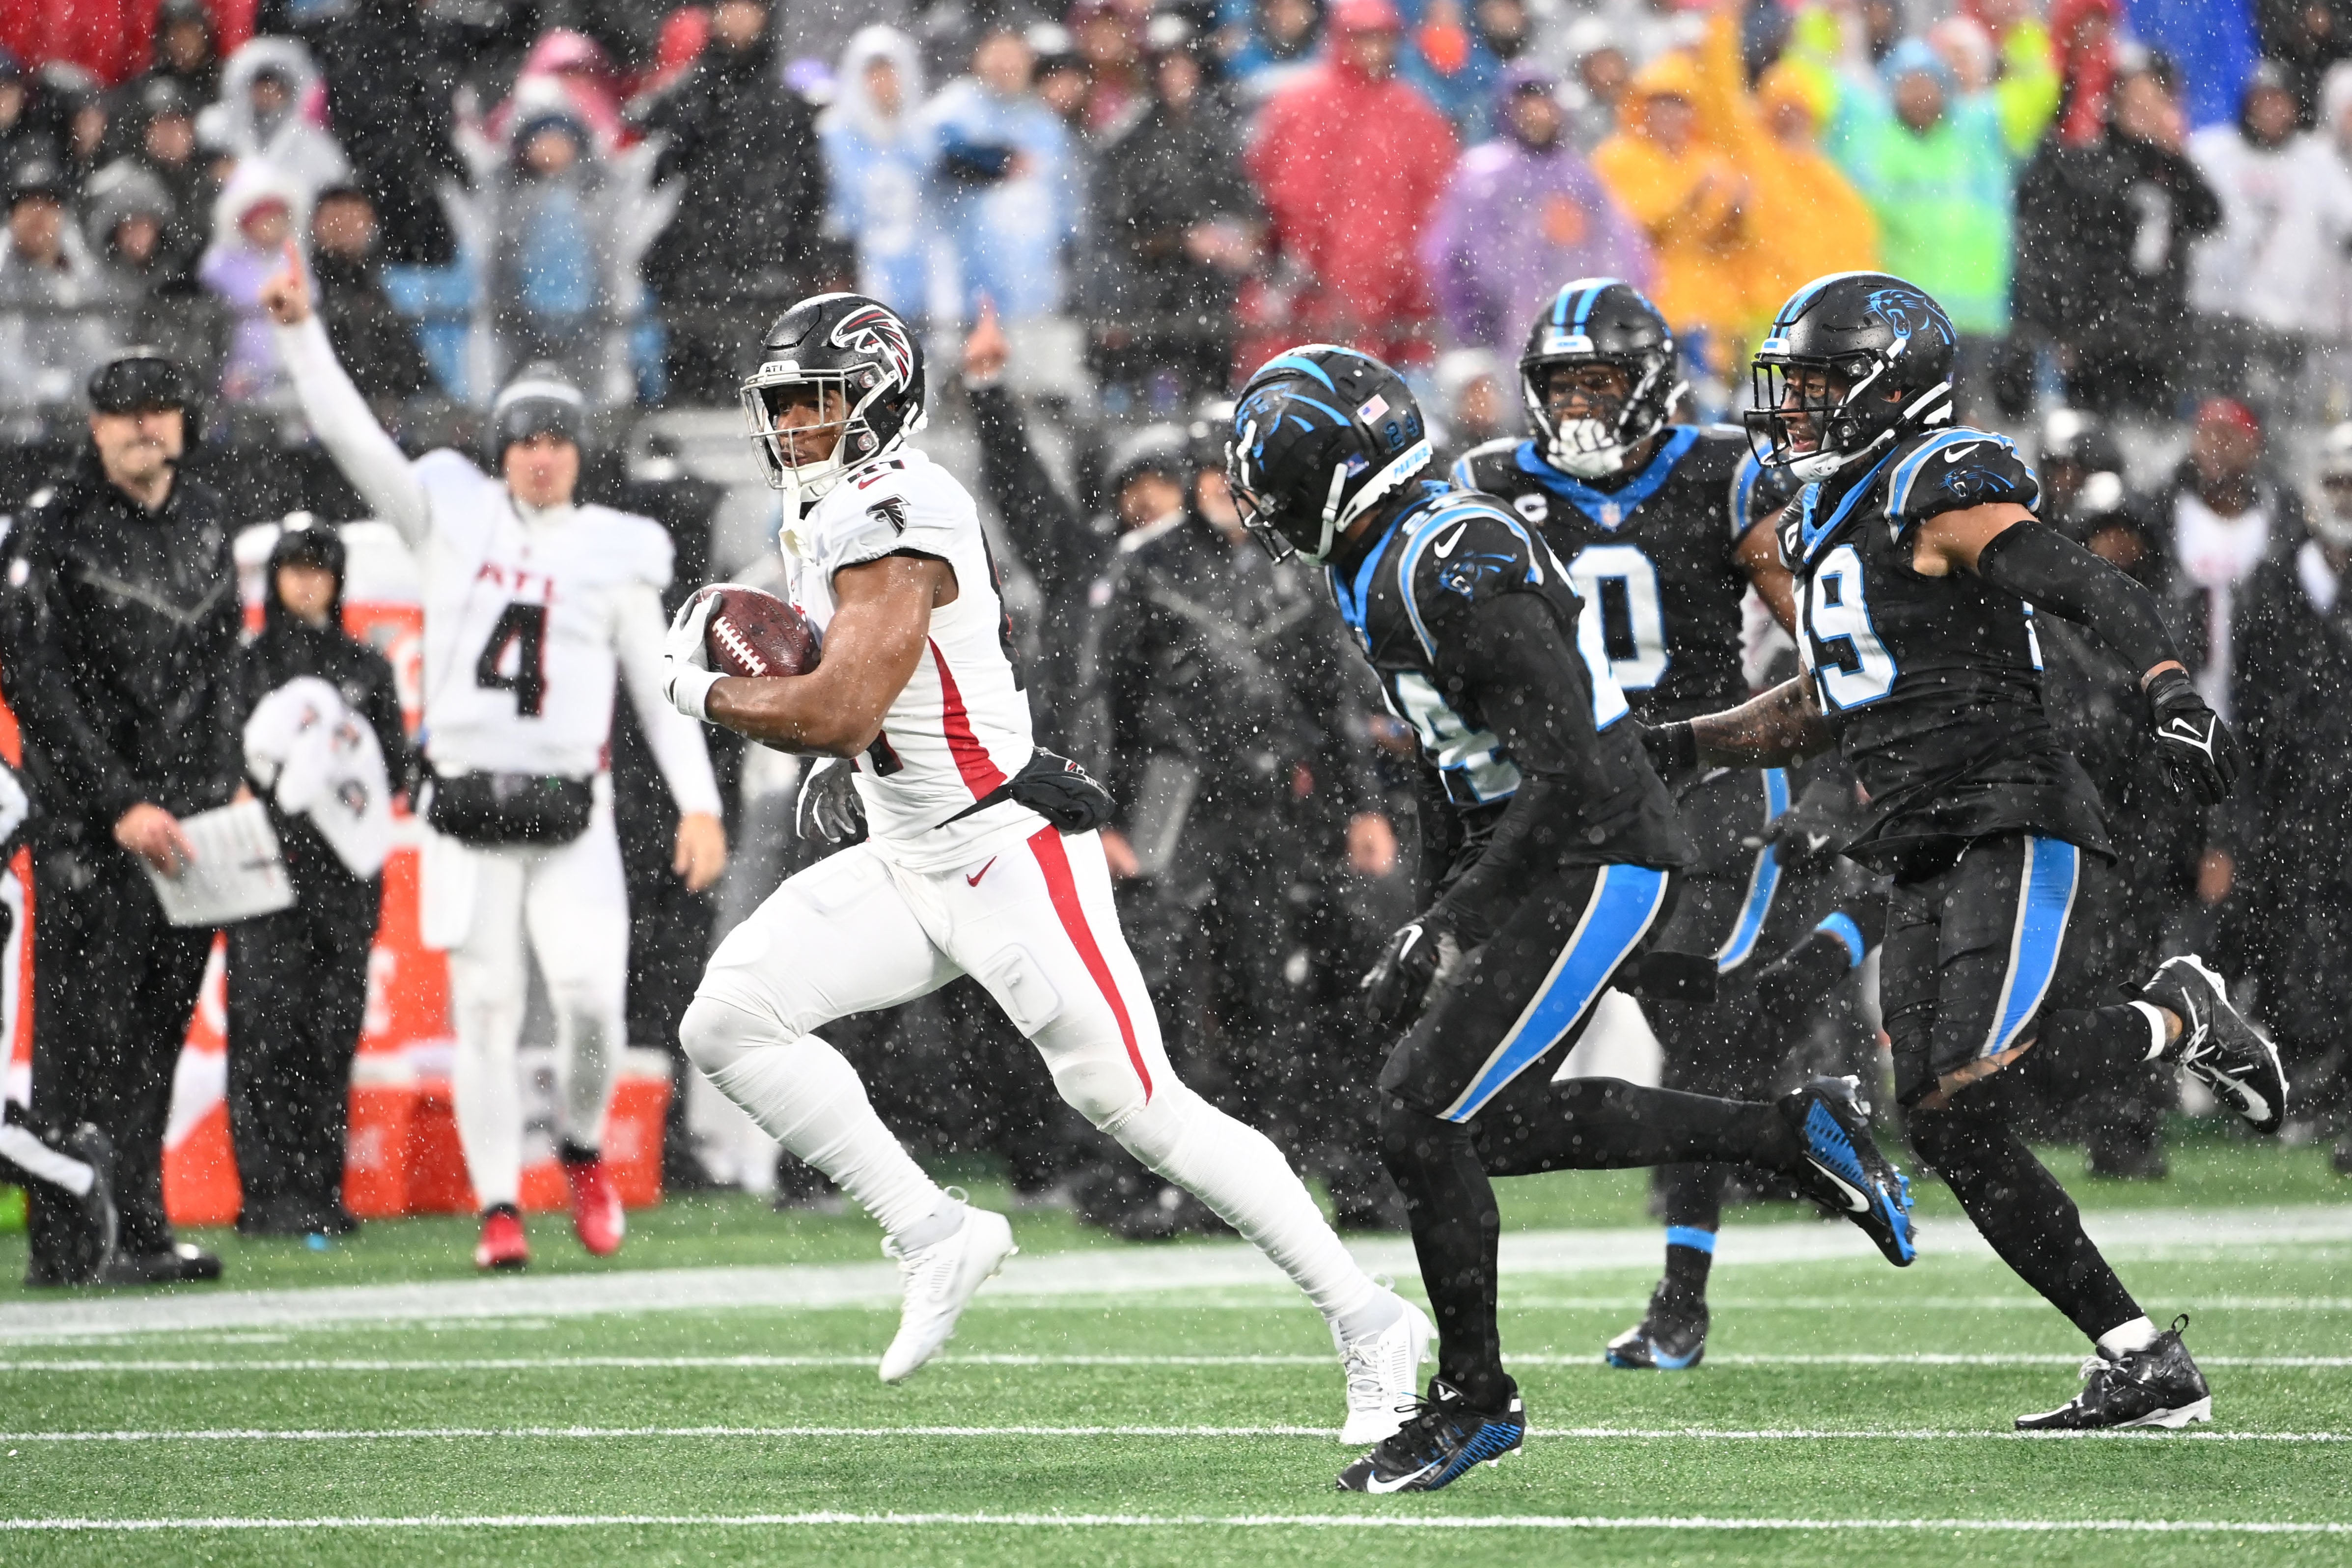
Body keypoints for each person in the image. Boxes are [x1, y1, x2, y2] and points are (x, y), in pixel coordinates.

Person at [659, 292, 1436, 1445]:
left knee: (1141, 1107)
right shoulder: (827, 508)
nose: (793, 427)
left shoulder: (898, 506)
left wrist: (701, 688)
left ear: (882, 402)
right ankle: (934, 1232)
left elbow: (843, 704)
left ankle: (1370, 1318)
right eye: (781, 406)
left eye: (817, 402)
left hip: (1002, 855)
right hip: (911, 850)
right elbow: (887, 702)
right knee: (727, 1022)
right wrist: (845, 763)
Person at [1224, 342, 1918, 1492]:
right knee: (1478, 1126)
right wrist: (1443, 906)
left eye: (1280, 482)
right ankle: (1789, 1133)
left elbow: (1570, 771)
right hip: (1546, 849)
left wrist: (1454, 918)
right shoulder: (1376, 556)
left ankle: (1475, 1400)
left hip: (1600, 849)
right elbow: (1456, 765)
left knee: (1418, 1115)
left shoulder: (1450, 556)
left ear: (1339, 474)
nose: (1267, 508)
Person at [1653, 271, 2288, 1430]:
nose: (1795, 409)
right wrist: (1683, 745)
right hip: (1916, 845)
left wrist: (2166, 686)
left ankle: (2176, 1017)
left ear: (1890, 387)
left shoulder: (1934, 482)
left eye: (1821, 385)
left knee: (1982, 1079)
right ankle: (2139, 1356)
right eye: (1792, 386)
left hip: (2008, 815)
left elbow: (2082, 581)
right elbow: (1828, 698)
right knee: (1946, 1121)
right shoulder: (1822, 523)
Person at [261, 248, 728, 1272]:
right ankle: (499, 1204)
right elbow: (351, 437)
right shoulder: (448, 516)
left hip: (570, 809)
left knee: (591, 1001)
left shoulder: (615, 547)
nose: (542, 456)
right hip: (465, 807)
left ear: (580, 452)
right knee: (484, 1009)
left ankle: (581, 1150)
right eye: (525, 439)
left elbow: (660, 685)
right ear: (499, 449)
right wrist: (300, 333)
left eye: (557, 439)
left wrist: (698, 801)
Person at [1453, 278, 1872, 1371]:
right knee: (1575, 1039)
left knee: (1701, 1013)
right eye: (1561, 383)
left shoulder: (1721, 472)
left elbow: (1822, 637)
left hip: (1706, 767)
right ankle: (1828, 1000)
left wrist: (1835, 766)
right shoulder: (1493, 485)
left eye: (1598, 380)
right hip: (1573, 785)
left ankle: (1682, 1295)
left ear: (1647, 383)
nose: (1578, 403)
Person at [1, 349, 244, 1286]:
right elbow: (35, 683)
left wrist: (221, 787)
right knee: (80, 1039)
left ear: (184, 422)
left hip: (188, 828)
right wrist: (118, 803)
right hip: (87, 832)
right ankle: (69, 1242)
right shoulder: (50, 524)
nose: (146, 424)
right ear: (95, 426)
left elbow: (223, 668)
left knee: (157, 1033)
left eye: (161, 407)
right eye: (126, 410)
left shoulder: (208, 517)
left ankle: (137, 1229)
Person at [228, 524, 409, 1238]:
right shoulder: (247, 664)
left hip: (345, 882)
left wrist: (338, 769)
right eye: (295, 569)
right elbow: (227, 761)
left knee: (331, 1033)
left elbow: (394, 767)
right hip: (266, 873)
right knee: (263, 1030)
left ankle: (320, 1190)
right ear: (274, 578)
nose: (307, 583)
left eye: (320, 569)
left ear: (339, 580)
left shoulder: (366, 667)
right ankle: (265, 1195)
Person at [2234, 422, 2352, 1174]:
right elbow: (2246, 712)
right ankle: (2316, 1088)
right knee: (2301, 954)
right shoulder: (2275, 583)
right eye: (2337, 483)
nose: (2346, 499)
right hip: (2299, 807)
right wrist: (2242, 817)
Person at [1246, 0, 1458, 367]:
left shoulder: (1413, 112)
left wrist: (1415, 279)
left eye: (1382, 39)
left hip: (1391, 285)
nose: (1374, 51)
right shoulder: (1304, 104)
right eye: (1364, 39)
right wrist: (1305, 261)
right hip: (1318, 285)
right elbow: (1290, 196)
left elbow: (1436, 202)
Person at [639, 0, 830, 403]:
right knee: (695, 405)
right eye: (730, 7)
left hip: (771, 282)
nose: (739, 18)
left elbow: (810, 193)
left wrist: (795, 260)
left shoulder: (787, 106)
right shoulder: (684, 98)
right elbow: (651, 187)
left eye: (750, 8)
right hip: (694, 284)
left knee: (774, 405)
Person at [2011, 52, 2219, 416]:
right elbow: (2071, 244)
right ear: (2116, 103)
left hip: (2160, 334)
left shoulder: (2171, 168)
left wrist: (2176, 157)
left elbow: (2208, 217)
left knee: (2154, 436)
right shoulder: (2091, 161)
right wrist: (2066, 326)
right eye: (2136, 100)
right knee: (2091, 432)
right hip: (2097, 333)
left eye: (2154, 101)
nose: (2144, 111)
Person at [1422, 64, 1652, 362]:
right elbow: (1451, 253)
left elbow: (1622, 251)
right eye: (1527, 107)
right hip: (1500, 336)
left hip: (1576, 336)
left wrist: (1616, 313)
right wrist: (1471, 318)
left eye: (1544, 105)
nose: (1538, 116)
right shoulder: (1485, 174)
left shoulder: (1579, 176)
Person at [0, 160, 120, 411]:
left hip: (76, 418)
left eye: (49, 205)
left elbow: (99, 353)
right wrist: (35, 389)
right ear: (13, 215)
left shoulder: (85, 276)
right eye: (29, 204)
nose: (39, 215)